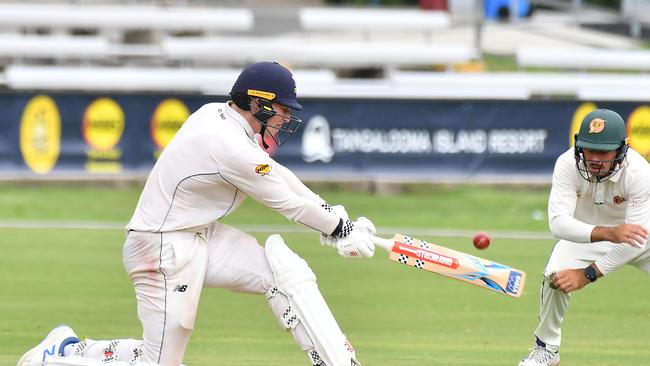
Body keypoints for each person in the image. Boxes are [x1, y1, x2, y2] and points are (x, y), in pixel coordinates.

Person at [17, 61, 377, 366]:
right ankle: (61, 356)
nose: (285, 118)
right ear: (258, 103)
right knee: (159, 362)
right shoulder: (228, 145)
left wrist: (331, 214)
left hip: (200, 234)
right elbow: (286, 202)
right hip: (159, 247)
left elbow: (280, 176)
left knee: (285, 274)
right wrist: (338, 228)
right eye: (282, 109)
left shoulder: (221, 118)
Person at [517, 108, 650, 366]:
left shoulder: (640, 173)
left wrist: (587, 274)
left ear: (622, 149)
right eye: (589, 150)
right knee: (554, 275)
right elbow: (558, 224)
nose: (595, 159)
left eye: (604, 152)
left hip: (643, 238)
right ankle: (547, 349)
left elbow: (637, 241)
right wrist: (609, 233)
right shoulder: (567, 164)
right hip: (591, 234)